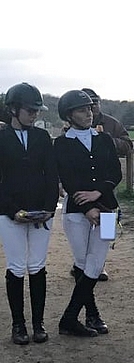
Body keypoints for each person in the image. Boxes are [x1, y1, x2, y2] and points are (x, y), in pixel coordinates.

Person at [54, 89, 122, 337]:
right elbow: (68, 180)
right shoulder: (61, 144)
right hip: (75, 213)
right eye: (83, 109)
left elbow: (116, 173)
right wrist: (86, 207)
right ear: (69, 114)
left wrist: (97, 194)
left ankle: (70, 317)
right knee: (83, 263)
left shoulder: (104, 140)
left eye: (90, 108)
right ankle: (92, 315)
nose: (89, 113)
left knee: (96, 262)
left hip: (107, 210)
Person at [0, 83, 59, 345]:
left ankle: (38, 323)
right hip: (9, 213)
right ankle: (18, 325)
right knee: (16, 267)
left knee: (37, 266)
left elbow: (51, 174)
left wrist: (48, 207)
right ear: (13, 109)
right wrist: (13, 210)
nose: (34, 115)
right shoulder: (1, 139)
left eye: (37, 111)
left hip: (39, 213)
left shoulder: (42, 138)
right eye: (29, 110)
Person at [81, 87, 133, 281]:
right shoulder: (71, 125)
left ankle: (101, 264)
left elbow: (128, 145)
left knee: (108, 227)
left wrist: (107, 140)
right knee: (84, 226)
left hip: (108, 183)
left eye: (95, 102)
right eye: (87, 104)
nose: (92, 107)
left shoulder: (112, 123)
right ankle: (82, 264)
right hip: (83, 184)